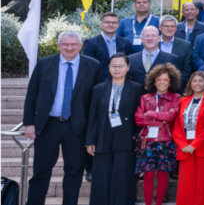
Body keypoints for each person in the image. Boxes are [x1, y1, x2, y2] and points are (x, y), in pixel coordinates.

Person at [24, 31, 100, 205]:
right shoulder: (44, 64)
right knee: (41, 171)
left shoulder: (93, 65)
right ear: (58, 45)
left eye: (73, 44)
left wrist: (93, 131)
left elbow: (96, 101)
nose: (69, 48)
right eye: (65, 44)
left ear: (80, 46)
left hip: (77, 127)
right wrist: (29, 123)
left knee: (74, 172)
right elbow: (31, 95)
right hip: (48, 125)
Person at [85, 53, 143, 205]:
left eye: (121, 65)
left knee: (123, 176)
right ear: (108, 68)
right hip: (103, 138)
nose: (117, 69)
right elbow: (93, 116)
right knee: (101, 176)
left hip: (126, 139)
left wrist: (139, 139)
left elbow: (140, 116)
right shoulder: (98, 89)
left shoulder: (137, 88)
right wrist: (90, 140)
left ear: (128, 68)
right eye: (113, 66)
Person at [134, 63, 181, 205]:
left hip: (166, 141)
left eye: (165, 80)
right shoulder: (145, 97)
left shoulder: (176, 97)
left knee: (162, 175)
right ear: (154, 81)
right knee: (148, 175)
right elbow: (138, 119)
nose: (162, 82)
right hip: (147, 141)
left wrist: (151, 115)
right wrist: (160, 122)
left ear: (170, 82)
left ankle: (159, 203)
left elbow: (171, 117)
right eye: (159, 79)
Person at [173, 72, 204, 205]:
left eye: (201, 81)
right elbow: (176, 126)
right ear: (190, 84)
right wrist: (182, 145)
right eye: (194, 81)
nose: (197, 84)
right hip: (185, 148)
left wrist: (195, 144)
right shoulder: (183, 101)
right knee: (186, 182)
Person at [84, 11, 134, 83]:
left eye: (114, 22)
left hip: (121, 82)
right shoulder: (91, 43)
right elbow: (88, 66)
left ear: (118, 25)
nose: (111, 25)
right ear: (101, 24)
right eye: (107, 22)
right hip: (98, 84)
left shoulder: (125, 43)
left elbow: (130, 64)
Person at [159, 15, 195, 87]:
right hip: (155, 85)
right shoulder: (152, 43)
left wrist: (174, 84)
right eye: (166, 26)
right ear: (160, 27)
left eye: (172, 26)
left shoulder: (186, 45)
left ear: (176, 28)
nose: (169, 29)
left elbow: (187, 70)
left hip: (176, 87)